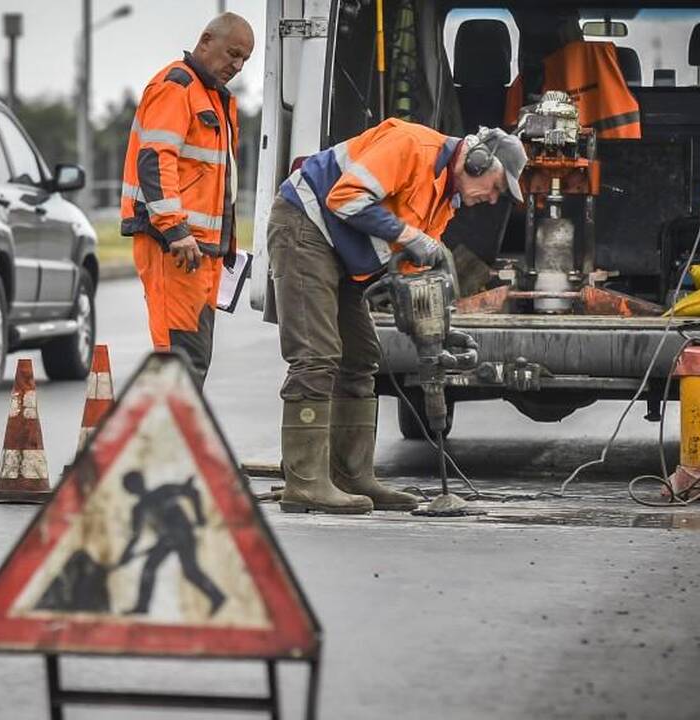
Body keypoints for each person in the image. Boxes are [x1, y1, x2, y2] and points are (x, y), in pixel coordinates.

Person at [269, 120, 527, 514]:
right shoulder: (411, 146)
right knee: (315, 356)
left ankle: (351, 475)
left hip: (342, 255)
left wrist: (438, 331)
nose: (494, 199)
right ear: (477, 160)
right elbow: (345, 198)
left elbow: (411, 273)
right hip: (306, 229)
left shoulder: (445, 198)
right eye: (496, 185)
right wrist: (412, 236)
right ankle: (305, 483)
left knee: (360, 360)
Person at [120, 13, 255, 387]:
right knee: (180, 362)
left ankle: (169, 441)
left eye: (245, 59)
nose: (238, 66)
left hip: (198, 250)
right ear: (206, 40)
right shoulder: (176, 87)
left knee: (191, 361)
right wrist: (176, 230)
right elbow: (154, 160)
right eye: (233, 54)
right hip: (175, 246)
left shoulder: (213, 97)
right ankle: (165, 444)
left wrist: (225, 247)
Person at [502, 10, 641, 139]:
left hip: (557, 163)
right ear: (573, 31)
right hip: (627, 160)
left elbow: (513, 149)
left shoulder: (523, 87)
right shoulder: (615, 62)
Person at [116, 471, 226, 617]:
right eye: (131, 486)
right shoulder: (138, 509)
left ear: (142, 481)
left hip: (183, 535)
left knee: (190, 571)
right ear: (128, 490)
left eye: (136, 483)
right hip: (165, 541)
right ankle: (142, 606)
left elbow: (193, 492)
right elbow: (135, 536)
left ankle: (217, 597)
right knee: (149, 568)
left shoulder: (164, 491)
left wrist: (200, 516)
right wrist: (126, 554)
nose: (136, 488)